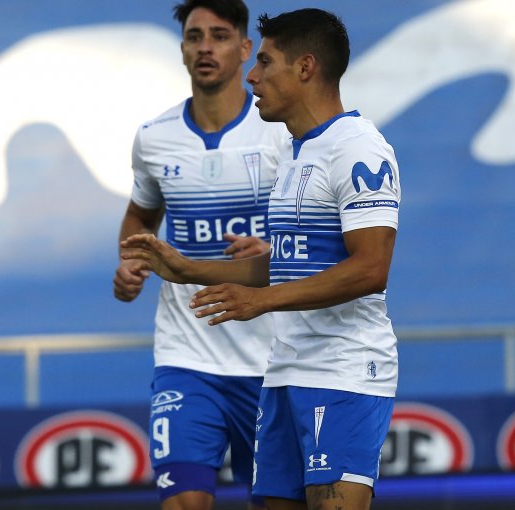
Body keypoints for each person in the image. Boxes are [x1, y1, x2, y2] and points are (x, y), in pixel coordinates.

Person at [122, 8, 401, 510]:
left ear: (305, 68)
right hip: (284, 371)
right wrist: (185, 269)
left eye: (265, 62)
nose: (253, 75)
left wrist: (262, 301)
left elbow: (370, 269)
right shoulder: (296, 153)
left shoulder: (359, 149)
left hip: (342, 373)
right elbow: (287, 263)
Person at [113, 1, 288, 509]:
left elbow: (317, 229)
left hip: (273, 359)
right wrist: (130, 262)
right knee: (185, 501)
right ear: (183, 49)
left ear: (245, 48)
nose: (205, 47)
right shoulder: (154, 138)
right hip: (187, 356)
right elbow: (140, 217)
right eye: (194, 37)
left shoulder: (280, 133)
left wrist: (273, 250)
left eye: (218, 35)